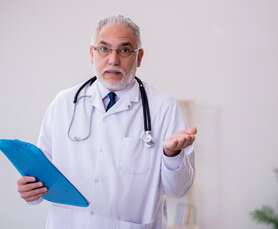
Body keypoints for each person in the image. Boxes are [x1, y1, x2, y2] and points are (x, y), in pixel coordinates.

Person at [17, 15, 197, 229]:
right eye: (104, 49)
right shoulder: (63, 104)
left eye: (124, 50)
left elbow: (179, 190)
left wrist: (171, 155)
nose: (113, 60)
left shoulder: (164, 107)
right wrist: (30, 190)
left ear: (138, 58)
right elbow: (41, 176)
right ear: (92, 54)